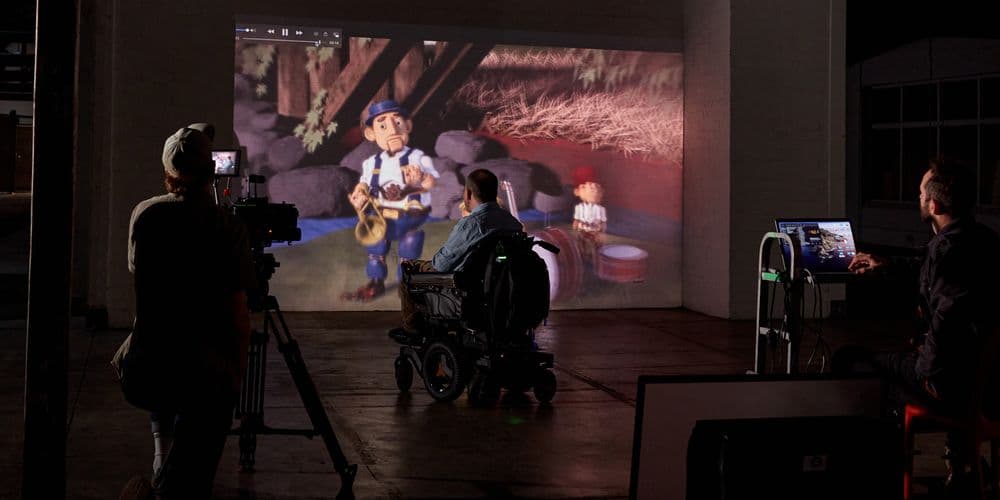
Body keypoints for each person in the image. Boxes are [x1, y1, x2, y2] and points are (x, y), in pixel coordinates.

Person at [837, 156, 1000, 496]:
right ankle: (960, 461)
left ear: (935, 203)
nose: (917, 198)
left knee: (851, 362)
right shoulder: (983, 239)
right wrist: (888, 264)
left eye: (921, 193)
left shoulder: (948, 253)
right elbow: (933, 274)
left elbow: (947, 320)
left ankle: (867, 474)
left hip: (952, 383)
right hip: (988, 377)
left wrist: (927, 376)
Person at [121, 123, 256, 499]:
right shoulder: (227, 227)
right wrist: (237, 376)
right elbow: (238, 314)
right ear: (212, 172)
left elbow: (138, 271)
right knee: (206, 388)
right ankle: (172, 482)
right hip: (203, 374)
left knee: (172, 364)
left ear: (167, 175)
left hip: (145, 367)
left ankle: (162, 456)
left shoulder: (144, 216)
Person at [389, 168, 523, 337]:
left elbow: (441, 264)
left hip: (465, 286)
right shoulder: (512, 223)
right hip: (495, 290)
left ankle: (412, 327)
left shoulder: (471, 224)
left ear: (468, 193)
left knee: (408, 268)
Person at [343, 100, 440, 302]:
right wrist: (359, 194)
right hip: (381, 217)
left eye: (398, 122)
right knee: (376, 246)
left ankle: (407, 284)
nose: (392, 130)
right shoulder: (372, 163)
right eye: (382, 125)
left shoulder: (418, 157)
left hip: (409, 216)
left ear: (408, 126)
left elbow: (431, 182)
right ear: (371, 134)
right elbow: (363, 184)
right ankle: (375, 282)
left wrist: (421, 178)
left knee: (409, 245)